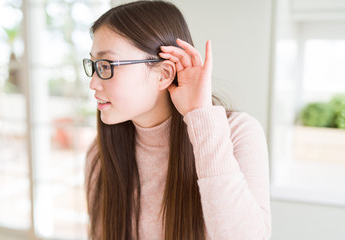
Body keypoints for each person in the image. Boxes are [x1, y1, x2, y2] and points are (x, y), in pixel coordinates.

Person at [83, 1, 271, 239]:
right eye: (93, 66)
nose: (93, 83)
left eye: (106, 65)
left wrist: (200, 117)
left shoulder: (238, 133)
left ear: (164, 74)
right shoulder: (100, 155)